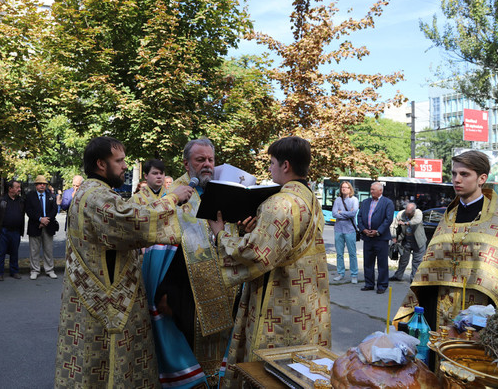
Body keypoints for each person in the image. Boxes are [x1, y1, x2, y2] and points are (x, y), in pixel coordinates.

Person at [54, 136, 193, 387]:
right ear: (101, 164)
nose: (125, 166)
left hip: (95, 298)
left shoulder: (92, 192)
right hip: (106, 304)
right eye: (119, 161)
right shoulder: (95, 195)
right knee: (107, 367)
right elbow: (130, 222)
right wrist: (172, 199)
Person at [209, 136, 331, 388]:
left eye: (272, 162)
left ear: (285, 165)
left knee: (268, 374)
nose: (269, 168)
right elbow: (282, 245)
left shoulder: (280, 203)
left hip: (279, 299)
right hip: (306, 301)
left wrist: (222, 234)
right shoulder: (309, 198)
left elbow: (255, 254)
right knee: (299, 370)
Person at [394, 150, 498, 331]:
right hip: (439, 307)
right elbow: (430, 269)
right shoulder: (449, 217)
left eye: (464, 174)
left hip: (481, 314)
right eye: (454, 173)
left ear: (481, 178)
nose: (456, 179)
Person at [153, 138, 239, 385]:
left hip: (226, 287)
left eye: (211, 160)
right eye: (200, 160)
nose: (207, 165)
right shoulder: (174, 195)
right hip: (186, 293)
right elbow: (163, 249)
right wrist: (166, 290)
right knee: (190, 351)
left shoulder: (223, 192)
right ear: (186, 163)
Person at [357, 181, 394, 294]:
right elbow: (359, 217)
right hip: (367, 237)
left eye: (373, 189)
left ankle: (382, 285)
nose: (371, 191)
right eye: (371, 189)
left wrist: (378, 231)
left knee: (382, 263)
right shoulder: (365, 202)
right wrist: (363, 229)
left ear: (380, 191)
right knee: (368, 262)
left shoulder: (387, 203)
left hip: (380, 238)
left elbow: (388, 219)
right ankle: (369, 284)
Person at [25, 175, 59, 280]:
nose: (42, 186)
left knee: (48, 250)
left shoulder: (51, 196)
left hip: (48, 226)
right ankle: (35, 270)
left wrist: (46, 220)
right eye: (40, 184)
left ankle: (49, 270)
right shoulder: (30, 196)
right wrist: (40, 219)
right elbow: (28, 210)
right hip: (35, 226)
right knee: (34, 250)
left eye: (44, 184)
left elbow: (54, 209)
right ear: (36, 185)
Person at [0, 180, 25, 281]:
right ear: (10, 189)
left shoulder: (21, 201)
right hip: (3, 231)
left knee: (14, 252)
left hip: (16, 231)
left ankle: (14, 271)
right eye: (17, 187)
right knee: (0, 253)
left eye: (19, 187)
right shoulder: (1, 200)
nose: (19, 189)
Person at [389, 202, 427, 283]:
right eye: (406, 212)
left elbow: (417, 220)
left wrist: (406, 223)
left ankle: (414, 279)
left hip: (418, 241)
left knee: (417, 261)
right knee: (403, 259)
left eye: (409, 213)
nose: (407, 215)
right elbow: (393, 225)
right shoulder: (400, 214)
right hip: (406, 241)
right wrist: (394, 237)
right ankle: (398, 276)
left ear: (414, 211)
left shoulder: (418, 212)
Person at [332, 180, 359, 284]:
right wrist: (346, 213)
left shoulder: (354, 200)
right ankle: (340, 273)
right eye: (342, 187)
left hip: (350, 230)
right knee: (339, 254)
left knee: (352, 253)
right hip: (338, 230)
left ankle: (354, 275)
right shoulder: (338, 200)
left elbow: (353, 213)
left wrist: (341, 212)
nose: (344, 189)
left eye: (346, 187)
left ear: (350, 189)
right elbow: (334, 214)